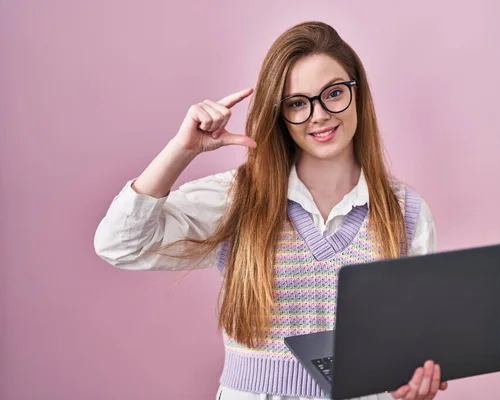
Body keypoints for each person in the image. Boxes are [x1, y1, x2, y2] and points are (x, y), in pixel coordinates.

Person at [94, 21, 449, 400]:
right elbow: (120, 244)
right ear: (279, 114)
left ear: (357, 93)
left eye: (333, 93)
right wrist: (182, 150)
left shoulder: (405, 211)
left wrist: (414, 390)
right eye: (297, 103)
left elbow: (408, 346)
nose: (319, 115)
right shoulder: (239, 197)